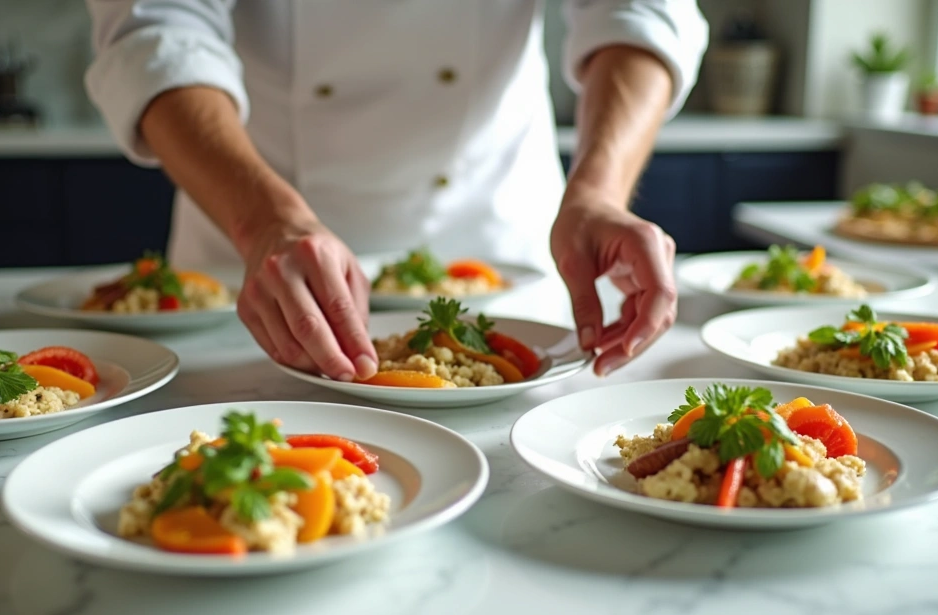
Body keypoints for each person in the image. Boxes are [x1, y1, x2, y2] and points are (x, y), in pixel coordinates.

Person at [85, 0, 708, 380]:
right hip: (253, 251)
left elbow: (641, 10)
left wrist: (598, 192)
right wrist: (264, 222)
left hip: (499, 246)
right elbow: (155, 31)